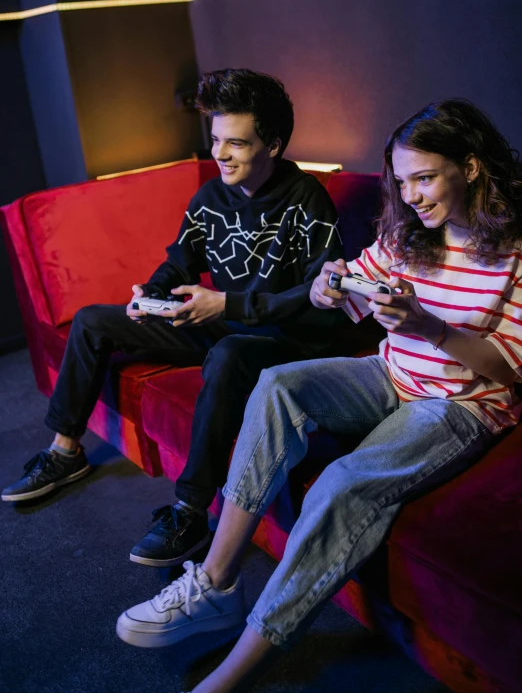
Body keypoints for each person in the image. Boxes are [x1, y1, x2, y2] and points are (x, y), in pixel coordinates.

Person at [116, 99, 522, 693]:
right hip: (391, 371)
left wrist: (429, 327)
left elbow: (510, 369)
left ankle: (234, 673)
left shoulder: (513, 248)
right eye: (402, 181)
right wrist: (330, 287)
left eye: (425, 178)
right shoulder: (410, 230)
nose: (411, 196)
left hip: (460, 403)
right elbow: (356, 285)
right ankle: (215, 581)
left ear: (472, 167)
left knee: (342, 482)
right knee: (279, 383)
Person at [2, 68, 347, 568]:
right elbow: (180, 260)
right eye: (215, 141)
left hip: (282, 338)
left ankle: (190, 509)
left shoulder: (308, 200)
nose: (221, 155)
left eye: (237, 144)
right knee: (95, 319)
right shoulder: (210, 197)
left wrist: (224, 305)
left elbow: (314, 299)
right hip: (220, 322)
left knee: (228, 352)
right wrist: (154, 292)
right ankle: (64, 450)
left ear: (272, 144)